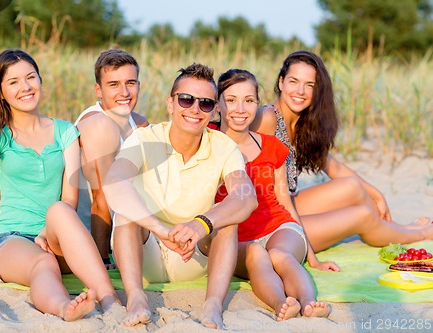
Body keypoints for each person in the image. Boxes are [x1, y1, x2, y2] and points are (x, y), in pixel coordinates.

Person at [0, 49, 120, 321]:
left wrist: (48, 232)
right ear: (0, 92)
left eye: (30, 77)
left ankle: (111, 300)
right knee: (43, 262)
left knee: (60, 210)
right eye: (13, 82)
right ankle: (64, 307)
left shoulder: (65, 132)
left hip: (58, 237)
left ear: (40, 80)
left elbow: (69, 198)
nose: (25, 87)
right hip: (11, 240)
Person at [102, 63, 258, 329]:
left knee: (228, 218)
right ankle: (137, 298)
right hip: (145, 249)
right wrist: (160, 229)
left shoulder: (223, 146)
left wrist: (201, 224)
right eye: (186, 100)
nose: (195, 109)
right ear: (171, 104)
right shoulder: (144, 138)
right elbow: (114, 182)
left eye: (206, 103)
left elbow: (246, 197)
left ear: (215, 110)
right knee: (126, 212)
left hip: (192, 253)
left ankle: (212, 305)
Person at [250, 50, 433, 252]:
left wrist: (376, 193)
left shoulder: (302, 124)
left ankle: (396, 228)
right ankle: (420, 234)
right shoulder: (267, 117)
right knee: (362, 215)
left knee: (352, 187)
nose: (300, 91)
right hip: (266, 222)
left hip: (286, 204)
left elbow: (334, 167)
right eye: (294, 81)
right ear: (281, 82)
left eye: (309, 85)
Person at [214, 68, 339, 320]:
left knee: (280, 255)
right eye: (231, 100)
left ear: (258, 104)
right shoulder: (208, 144)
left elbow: (284, 201)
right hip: (237, 238)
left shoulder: (272, 146)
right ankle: (281, 303)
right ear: (217, 105)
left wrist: (312, 258)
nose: (240, 109)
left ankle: (309, 302)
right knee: (258, 256)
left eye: (249, 100)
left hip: (278, 226)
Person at [74, 49, 148, 269]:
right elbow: (101, 197)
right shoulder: (98, 124)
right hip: (90, 237)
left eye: (130, 83)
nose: (124, 92)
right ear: (99, 90)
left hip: (125, 229)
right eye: (113, 84)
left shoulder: (139, 123)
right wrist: (103, 259)